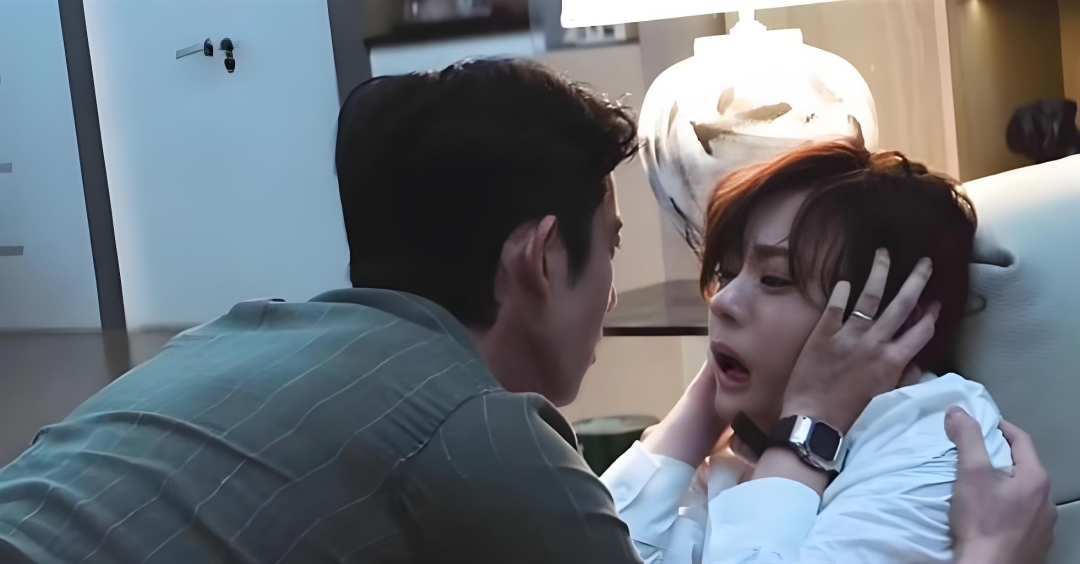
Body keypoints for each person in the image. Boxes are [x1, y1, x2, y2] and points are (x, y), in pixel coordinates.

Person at [0, 59, 1055, 564]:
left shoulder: (240, 332)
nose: (721, 300)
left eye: (771, 280)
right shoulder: (477, 437)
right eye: (616, 245)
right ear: (544, 259)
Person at [600, 141, 1058, 563]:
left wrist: (808, 427)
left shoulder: (935, 443)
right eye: (726, 273)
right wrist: (700, 412)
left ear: (895, 320)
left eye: (774, 279)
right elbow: (593, 549)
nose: (721, 302)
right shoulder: (744, 447)